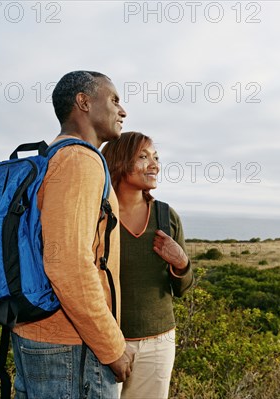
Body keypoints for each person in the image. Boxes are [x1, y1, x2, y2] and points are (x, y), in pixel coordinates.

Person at [11, 71, 135, 399]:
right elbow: (67, 263)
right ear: (83, 102)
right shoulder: (81, 160)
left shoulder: (50, 156)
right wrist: (111, 346)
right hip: (72, 349)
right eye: (114, 100)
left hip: (40, 336)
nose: (122, 111)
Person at [102, 131, 194, 398]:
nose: (154, 165)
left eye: (156, 157)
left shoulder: (166, 216)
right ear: (119, 161)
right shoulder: (98, 215)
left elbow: (183, 288)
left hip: (159, 342)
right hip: (107, 342)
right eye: (143, 157)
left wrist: (181, 263)